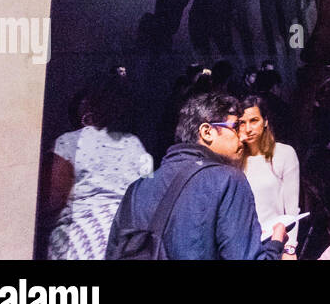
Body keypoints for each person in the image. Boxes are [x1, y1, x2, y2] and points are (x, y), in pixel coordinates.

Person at [107, 92, 288, 260]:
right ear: (207, 132)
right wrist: (275, 244)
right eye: (234, 127)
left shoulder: (137, 189)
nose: (241, 137)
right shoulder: (228, 180)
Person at [41, 71, 154, 260]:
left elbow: (51, 201)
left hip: (82, 236)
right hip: (128, 240)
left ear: (87, 105)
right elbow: (148, 197)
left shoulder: (69, 142)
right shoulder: (136, 144)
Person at [239, 95, 301, 258]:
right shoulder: (235, 159)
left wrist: (290, 248)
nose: (248, 128)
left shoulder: (283, 154)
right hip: (241, 245)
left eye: (254, 120)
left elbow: (292, 207)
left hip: (274, 242)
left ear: (265, 121)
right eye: (242, 123)